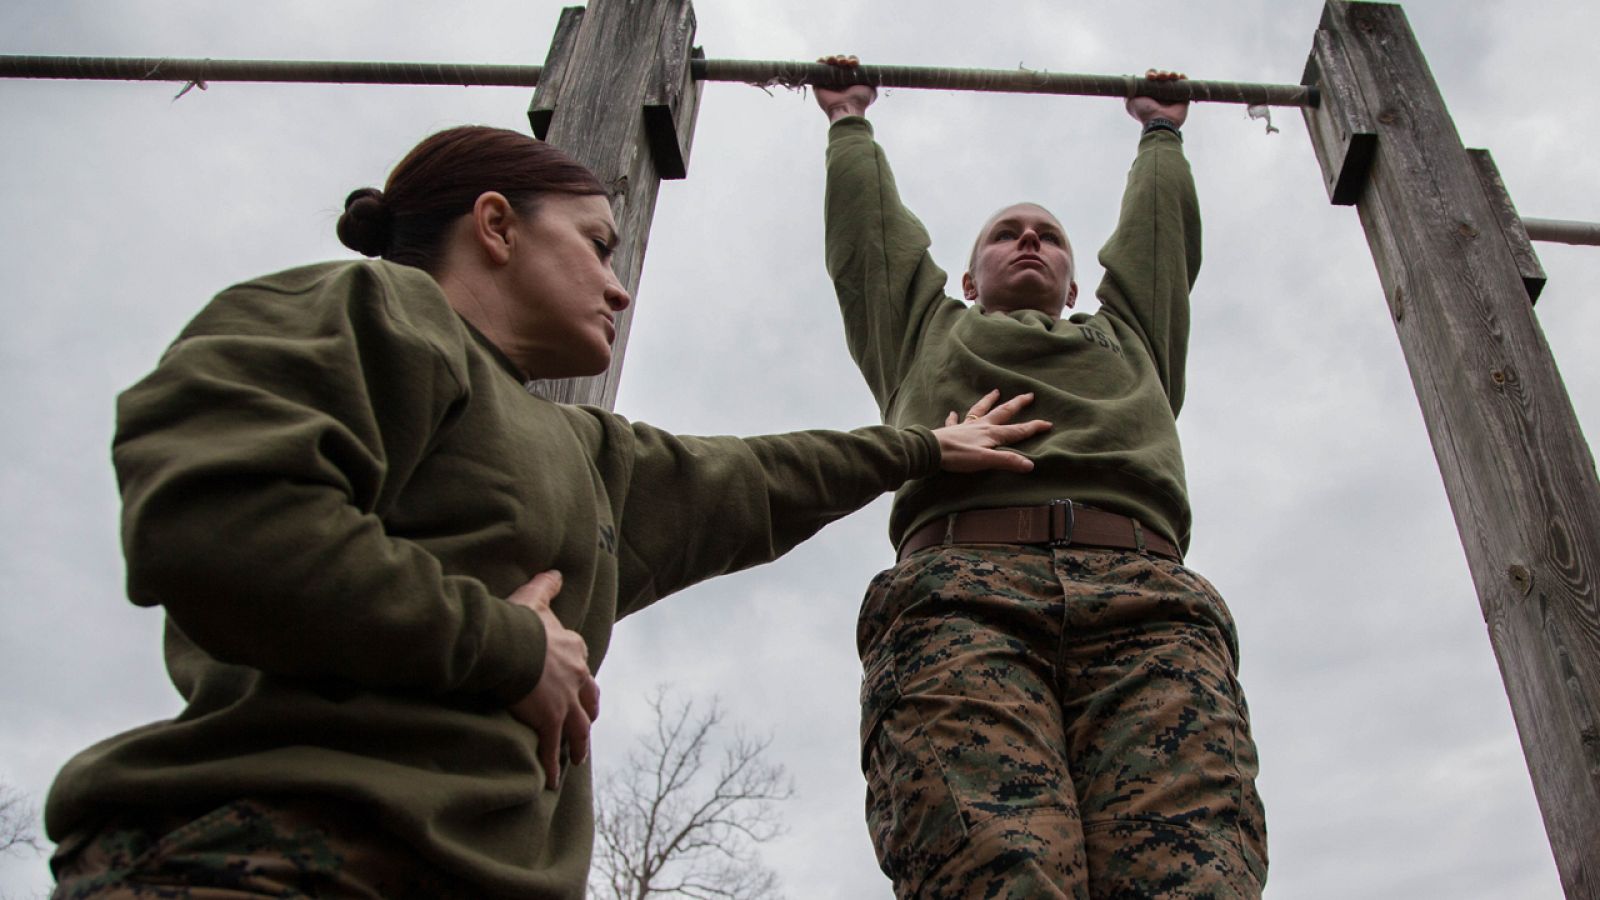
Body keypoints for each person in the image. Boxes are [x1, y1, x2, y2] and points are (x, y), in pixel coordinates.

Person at [43, 124, 1054, 900]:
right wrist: (508, 645)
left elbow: (757, 476)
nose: (619, 289)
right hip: (275, 854)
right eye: (597, 245)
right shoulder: (363, 310)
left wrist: (925, 446)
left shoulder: (582, 453)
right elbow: (223, 526)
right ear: (495, 225)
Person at [812, 58, 1268, 897]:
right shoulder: (927, 332)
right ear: (967, 278)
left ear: (1074, 278)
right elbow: (871, 242)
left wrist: (1161, 134)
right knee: (996, 872)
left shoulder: (1131, 344)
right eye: (1006, 232)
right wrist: (849, 122)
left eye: (1048, 235)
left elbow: (1159, 247)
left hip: (1148, 604)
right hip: (960, 599)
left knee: (1193, 876)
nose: (1029, 238)